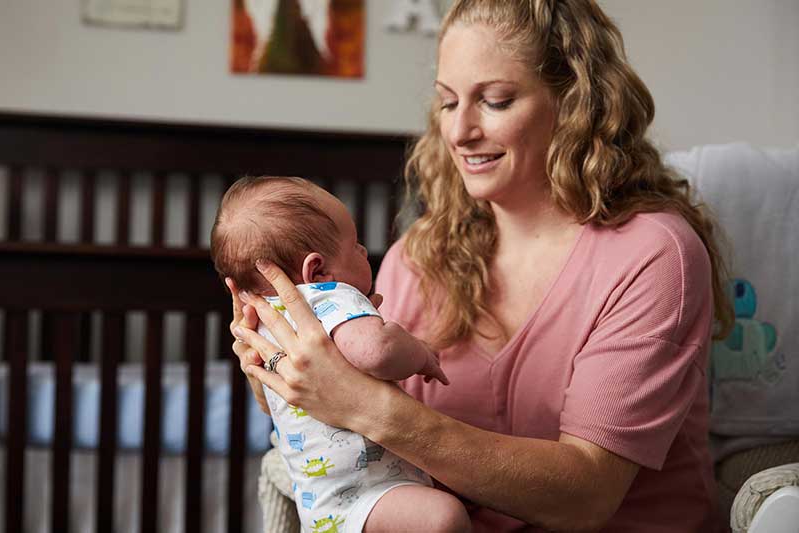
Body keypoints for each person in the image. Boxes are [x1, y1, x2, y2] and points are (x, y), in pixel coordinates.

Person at [229, 1, 735, 531]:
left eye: (495, 101)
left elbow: (586, 496)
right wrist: (272, 366)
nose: (461, 131)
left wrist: (366, 407)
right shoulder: (418, 256)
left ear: (574, 102)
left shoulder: (651, 255)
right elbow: (335, 416)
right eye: (448, 103)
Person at [210, 175, 469, 533]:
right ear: (317, 270)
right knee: (445, 517)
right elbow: (376, 352)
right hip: (369, 491)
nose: (365, 252)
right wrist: (419, 352)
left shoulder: (263, 324)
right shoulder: (330, 296)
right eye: (356, 246)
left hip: (322, 502)